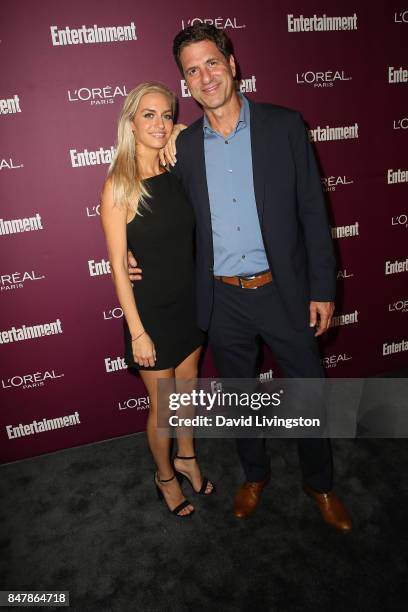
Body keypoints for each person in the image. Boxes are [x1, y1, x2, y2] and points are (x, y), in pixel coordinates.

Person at [128, 26, 352, 531]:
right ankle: (255, 476)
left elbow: (314, 213)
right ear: (184, 83)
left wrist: (322, 289)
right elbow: (152, 210)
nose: (204, 76)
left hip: (284, 290)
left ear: (231, 63)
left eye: (211, 62)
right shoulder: (180, 149)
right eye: (192, 70)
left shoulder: (285, 125)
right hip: (222, 299)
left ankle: (321, 484)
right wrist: (130, 257)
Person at [100, 82, 214, 518]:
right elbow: (117, 267)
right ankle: (165, 475)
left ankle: (187, 458)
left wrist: (179, 130)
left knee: (187, 391)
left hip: (189, 303)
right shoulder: (118, 187)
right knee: (164, 404)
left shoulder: (177, 167)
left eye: (166, 114)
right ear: (130, 121)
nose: (159, 123)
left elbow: (200, 136)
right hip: (150, 313)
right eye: (148, 114)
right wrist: (137, 333)